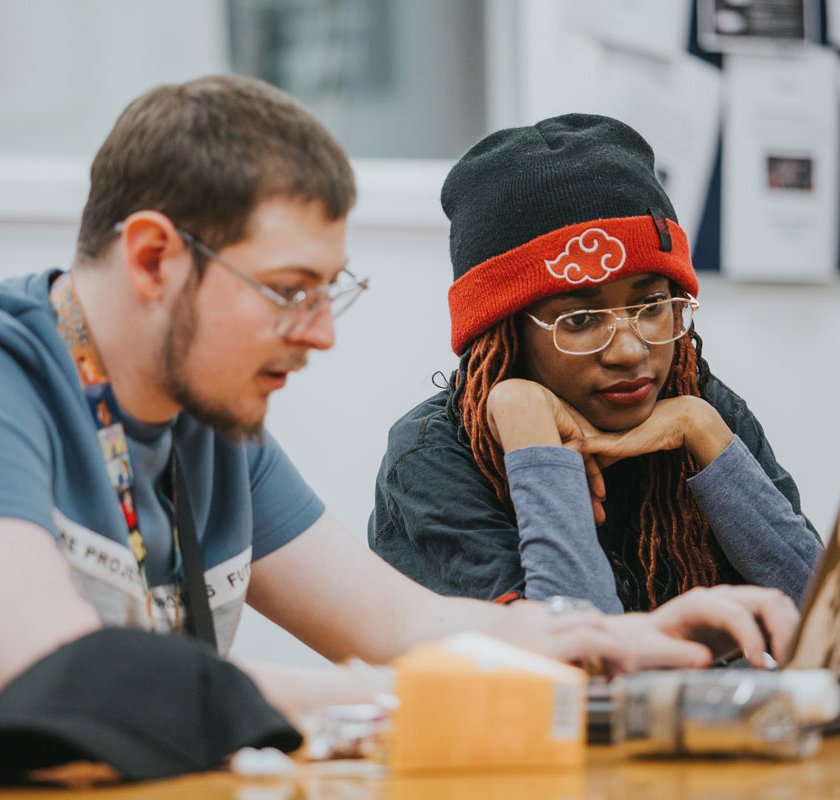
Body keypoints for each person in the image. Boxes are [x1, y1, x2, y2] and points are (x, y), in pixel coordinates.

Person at [0, 79, 800, 751]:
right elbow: (55, 666)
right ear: (152, 260)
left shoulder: (208, 431)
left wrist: (619, 640)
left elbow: (405, 622)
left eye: (330, 291)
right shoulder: (13, 380)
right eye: (290, 290)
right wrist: (380, 706)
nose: (321, 331)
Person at [369, 114, 822, 614]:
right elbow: (573, 663)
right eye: (581, 319)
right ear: (505, 333)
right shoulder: (433, 457)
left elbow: (824, 628)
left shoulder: (699, 408)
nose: (629, 351)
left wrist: (703, 429)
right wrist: (536, 442)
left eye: (650, 307)